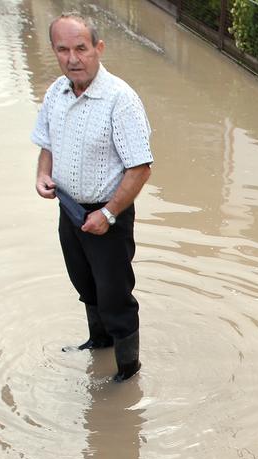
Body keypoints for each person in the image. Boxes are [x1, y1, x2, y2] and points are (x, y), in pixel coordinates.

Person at [32, 13, 153, 382]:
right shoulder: (57, 90)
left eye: (81, 48)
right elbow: (46, 143)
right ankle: (98, 343)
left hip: (108, 215)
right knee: (84, 282)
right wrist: (42, 174)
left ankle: (127, 370)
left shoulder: (120, 100)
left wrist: (110, 214)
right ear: (55, 51)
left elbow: (140, 168)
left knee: (115, 295)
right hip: (69, 209)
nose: (73, 58)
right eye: (63, 49)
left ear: (98, 49)